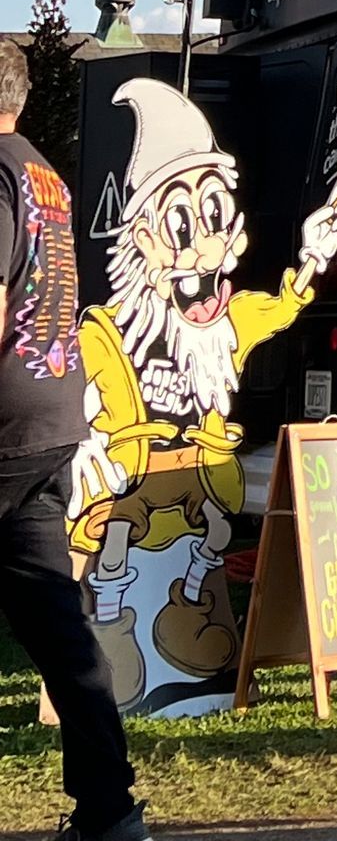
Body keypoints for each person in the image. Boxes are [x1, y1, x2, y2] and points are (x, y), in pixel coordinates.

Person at [0, 45, 145, 841]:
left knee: (55, 624)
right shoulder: (44, 176)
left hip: (2, 421)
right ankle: (109, 809)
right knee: (58, 628)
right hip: (52, 422)